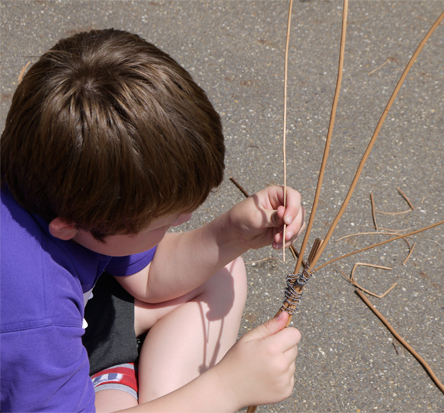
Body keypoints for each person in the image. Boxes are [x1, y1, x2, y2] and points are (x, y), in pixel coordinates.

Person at [0, 29, 305, 412]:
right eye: (160, 224)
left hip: (64, 322)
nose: (187, 218)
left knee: (223, 270)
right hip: (36, 348)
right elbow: (36, 321)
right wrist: (226, 390)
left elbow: (148, 277)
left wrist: (231, 234)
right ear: (69, 225)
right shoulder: (34, 313)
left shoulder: (51, 176)